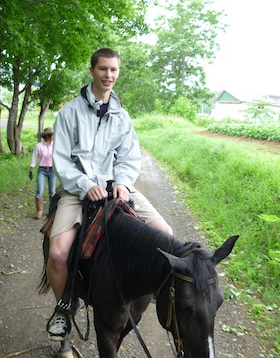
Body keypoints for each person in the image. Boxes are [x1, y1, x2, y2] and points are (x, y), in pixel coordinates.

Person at [46, 48, 173, 341]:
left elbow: (130, 157)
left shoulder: (121, 116)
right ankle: (63, 308)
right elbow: (62, 160)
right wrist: (83, 184)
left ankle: (156, 295)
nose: (109, 75)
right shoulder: (69, 113)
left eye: (113, 70)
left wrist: (124, 183)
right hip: (78, 192)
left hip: (115, 188)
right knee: (58, 252)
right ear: (92, 70)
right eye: (103, 69)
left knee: (166, 235)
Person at [29, 127, 56, 219]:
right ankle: (39, 210)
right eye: (52, 135)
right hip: (42, 170)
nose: (53, 136)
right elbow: (34, 158)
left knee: (52, 192)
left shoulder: (55, 146)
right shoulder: (39, 146)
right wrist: (31, 170)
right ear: (48, 136)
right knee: (39, 191)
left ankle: (51, 211)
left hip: (52, 170)